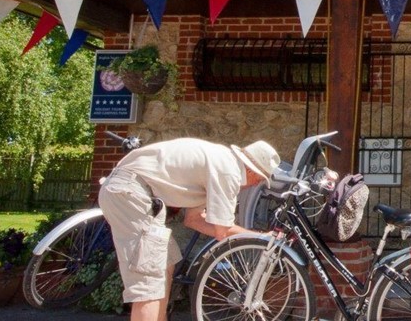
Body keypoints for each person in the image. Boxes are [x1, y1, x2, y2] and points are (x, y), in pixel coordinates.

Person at [98, 137, 279, 321]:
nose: (257, 184)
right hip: (131, 192)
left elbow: (193, 220)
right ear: (250, 169)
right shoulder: (228, 172)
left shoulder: (221, 163)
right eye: (260, 178)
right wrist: (263, 237)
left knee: (166, 261)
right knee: (149, 281)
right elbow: (221, 232)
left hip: (129, 189)